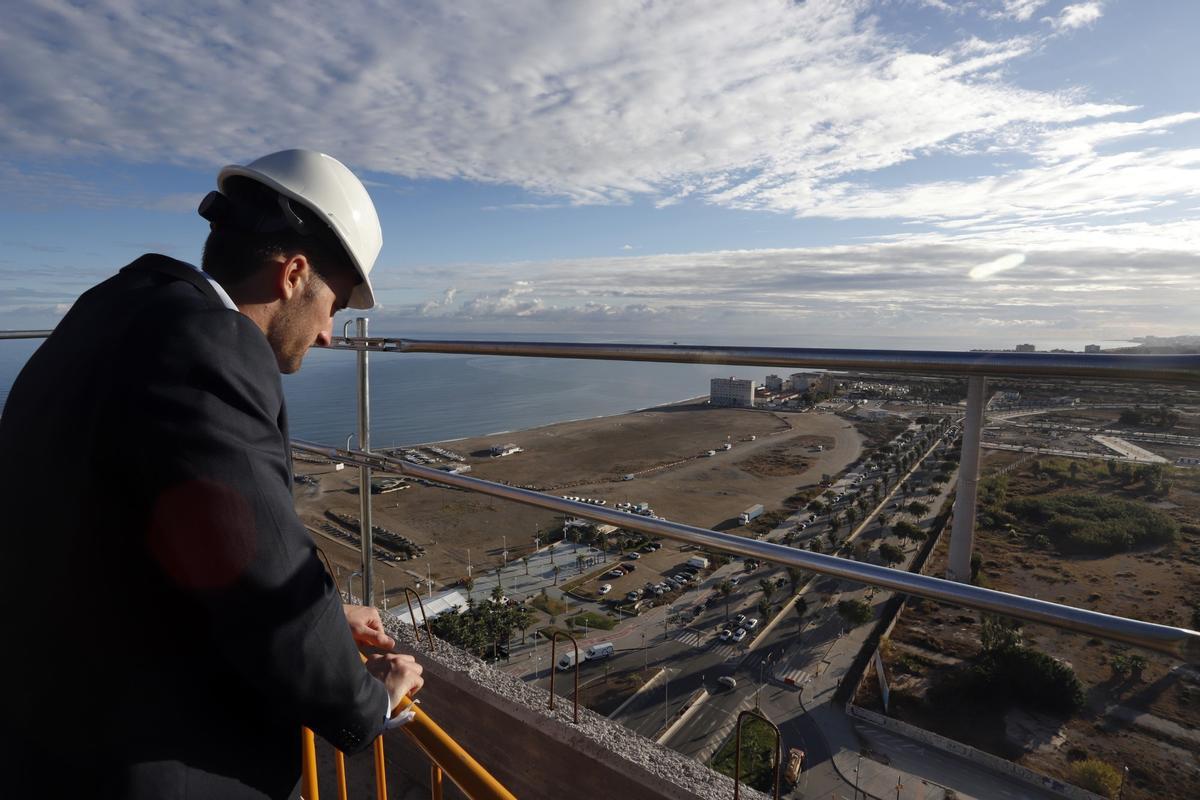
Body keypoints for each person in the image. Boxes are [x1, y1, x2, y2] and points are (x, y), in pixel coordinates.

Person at [0, 150, 424, 799]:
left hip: (47, 726)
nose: (332, 336)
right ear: (293, 274)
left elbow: (165, 538)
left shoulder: (114, 307)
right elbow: (265, 579)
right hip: (138, 761)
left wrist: (328, 612)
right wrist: (372, 700)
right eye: (333, 307)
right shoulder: (208, 346)